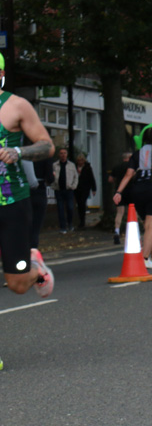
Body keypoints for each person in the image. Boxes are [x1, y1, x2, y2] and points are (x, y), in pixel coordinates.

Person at [0, 54, 56, 300]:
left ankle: (36, 271)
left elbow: (47, 145)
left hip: (11, 202)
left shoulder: (16, 106)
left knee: (17, 284)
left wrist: (18, 152)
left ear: (1, 75)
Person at [113, 127, 152, 268]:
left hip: (137, 192)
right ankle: (144, 258)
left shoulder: (137, 154)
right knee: (151, 226)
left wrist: (118, 192)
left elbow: (128, 174)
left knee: (148, 225)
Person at [52, 147, 77, 234]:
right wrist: (53, 185)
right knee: (60, 209)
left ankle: (70, 224)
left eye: (64, 153)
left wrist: (73, 186)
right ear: (59, 155)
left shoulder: (71, 165)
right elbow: (51, 176)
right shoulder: (55, 165)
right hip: (58, 189)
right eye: (61, 153)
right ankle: (62, 227)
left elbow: (76, 176)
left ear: (67, 154)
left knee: (70, 207)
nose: (63, 155)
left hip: (69, 189)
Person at [109, 151, 131, 245]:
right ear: (129, 158)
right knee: (132, 211)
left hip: (119, 192)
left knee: (119, 213)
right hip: (130, 191)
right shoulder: (131, 167)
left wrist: (116, 181)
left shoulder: (116, 167)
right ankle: (132, 231)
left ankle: (117, 231)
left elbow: (110, 179)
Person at [73, 153, 96, 229]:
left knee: (82, 203)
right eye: (79, 160)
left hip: (85, 188)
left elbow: (91, 178)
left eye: (82, 160)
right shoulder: (74, 167)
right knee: (79, 204)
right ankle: (81, 220)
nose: (80, 162)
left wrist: (93, 189)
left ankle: (82, 221)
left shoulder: (87, 167)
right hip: (76, 188)